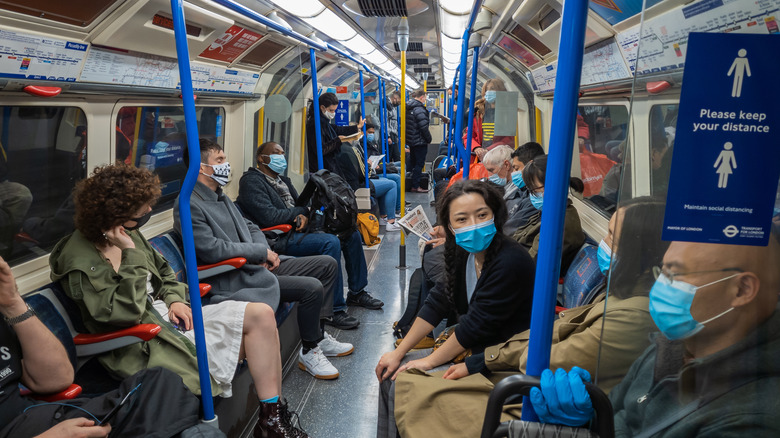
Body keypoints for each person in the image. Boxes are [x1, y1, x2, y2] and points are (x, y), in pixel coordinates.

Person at [49, 164, 309, 437]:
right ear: (116, 214)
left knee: (261, 314)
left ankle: (270, 419)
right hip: (138, 339)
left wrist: (174, 299)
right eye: (140, 213)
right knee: (250, 341)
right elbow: (122, 313)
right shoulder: (80, 258)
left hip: (165, 314)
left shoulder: (129, 233)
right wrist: (131, 255)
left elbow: (164, 274)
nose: (147, 215)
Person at [390, 198, 667, 437]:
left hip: (535, 399)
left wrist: (477, 362)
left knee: (407, 388)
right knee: (408, 384)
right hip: (514, 375)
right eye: (461, 219)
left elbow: (543, 356)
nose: (602, 246)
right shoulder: (617, 295)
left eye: (611, 238)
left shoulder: (633, 315)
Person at [530, 232, 780, 437]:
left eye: (675, 274)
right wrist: (588, 419)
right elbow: (619, 415)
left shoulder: (752, 418)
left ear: (742, 290)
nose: (660, 287)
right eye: (662, 273)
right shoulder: (671, 347)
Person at [176, 139, 352, 380]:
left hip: (256, 264)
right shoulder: (188, 205)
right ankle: (309, 351)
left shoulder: (220, 195)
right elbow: (212, 249)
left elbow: (250, 226)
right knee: (311, 288)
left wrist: (263, 251)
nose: (226, 165)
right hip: (235, 277)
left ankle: (318, 336)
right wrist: (258, 254)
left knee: (327, 264)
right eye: (219, 160)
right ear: (200, 167)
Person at [376, 180, 535, 437]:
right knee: (389, 371)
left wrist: (426, 363)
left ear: (496, 214)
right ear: (450, 227)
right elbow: (438, 300)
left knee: (402, 381)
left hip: (499, 362)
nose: (473, 225)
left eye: (482, 215)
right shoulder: (465, 252)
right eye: (462, 219)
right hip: (474, 350)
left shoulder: (510, 261)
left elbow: (473, 327)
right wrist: (400, 351)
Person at [236, 141, 384, 330]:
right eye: (275, 153)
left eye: (282, 152)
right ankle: (334, 309)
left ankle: (357, 291)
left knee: (350, 233)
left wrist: (304, 214)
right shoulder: (252, 181)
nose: (281, 157)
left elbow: (300, 207)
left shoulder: (284, 180)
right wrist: (300, 212)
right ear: (261, 158)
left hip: (297, 230)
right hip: (279, 238)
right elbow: (269, 217)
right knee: (330, 242)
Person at [513, 155, 586, 274]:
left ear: (553, 185)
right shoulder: (548, 213)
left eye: (534, 190)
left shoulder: (559, 223)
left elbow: (532, 262)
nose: (532, 195)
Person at [337, 137, 402, 231]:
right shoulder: (351, 150)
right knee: (391, 184)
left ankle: (383, 217)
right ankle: (391, 222)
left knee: (385, 181)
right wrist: (370, 165)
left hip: (350, 184)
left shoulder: (340, 149)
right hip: (358, 185)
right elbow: (363, 173)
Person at [306, 92, 365, 175]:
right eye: (331, 110)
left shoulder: (323, 122)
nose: (333, 113)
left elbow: (338, 129)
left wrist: (357, 127)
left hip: (327, 166)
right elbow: (320, 150)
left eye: (334, 110)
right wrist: (338, 140)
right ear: (322, 107)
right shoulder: (315, 125)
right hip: (321, 168)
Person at [482, 145, 531, 236]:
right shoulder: (503, 189)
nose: (489, 175)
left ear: (506, 165)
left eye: (491, 170)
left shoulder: (521, 192)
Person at [469, 79, 515, 161]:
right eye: (487, 89)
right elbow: (468, 136)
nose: (489, 92)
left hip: (499, 157)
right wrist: (476, 148)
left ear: (501, 91)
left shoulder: (507, 112)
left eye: (492, 88)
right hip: (480, 156)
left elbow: (510, 139)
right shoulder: (479, 112)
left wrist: (489, 149)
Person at [406, 89, 432, 193]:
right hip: (420, 141)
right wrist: (429, 139)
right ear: (421, 97)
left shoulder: (409, 107)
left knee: (413, 162)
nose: (425, 99)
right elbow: (423, 127)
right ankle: (416, 186)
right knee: (419, 163)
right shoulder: (419, 109)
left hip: (412, 141)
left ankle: (412, 183)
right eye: (425, 97)